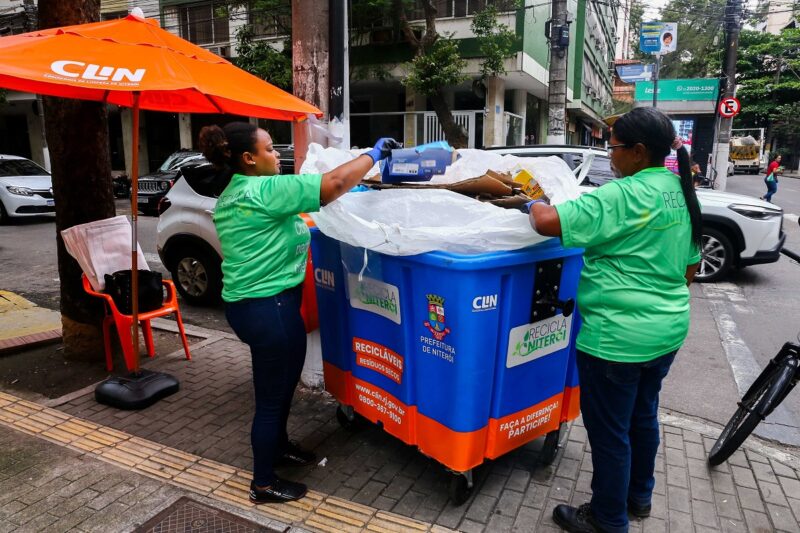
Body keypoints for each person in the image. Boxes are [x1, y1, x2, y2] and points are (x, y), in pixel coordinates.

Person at [198, 122, 398, 504]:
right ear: (248, 159)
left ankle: (280, 449)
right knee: (271, 398)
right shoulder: (264, 189)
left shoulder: (234, 193)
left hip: (252, 306)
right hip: (269, 308)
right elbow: (334, 184)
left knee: (280, 386)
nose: (278, 155)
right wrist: (374, 154)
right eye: (270, 149)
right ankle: (263, 483)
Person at [527, 107, 701, 533]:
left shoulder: (624, 195)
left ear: (639, 152)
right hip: (667, 330)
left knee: (610, 435)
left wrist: (530, 197)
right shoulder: (680, 190)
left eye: (615, 146)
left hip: (617, 340)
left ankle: (608, 520)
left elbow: (546, 222)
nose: (610, 154)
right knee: (643, 416)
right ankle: (639, 497)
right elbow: (690, 270)